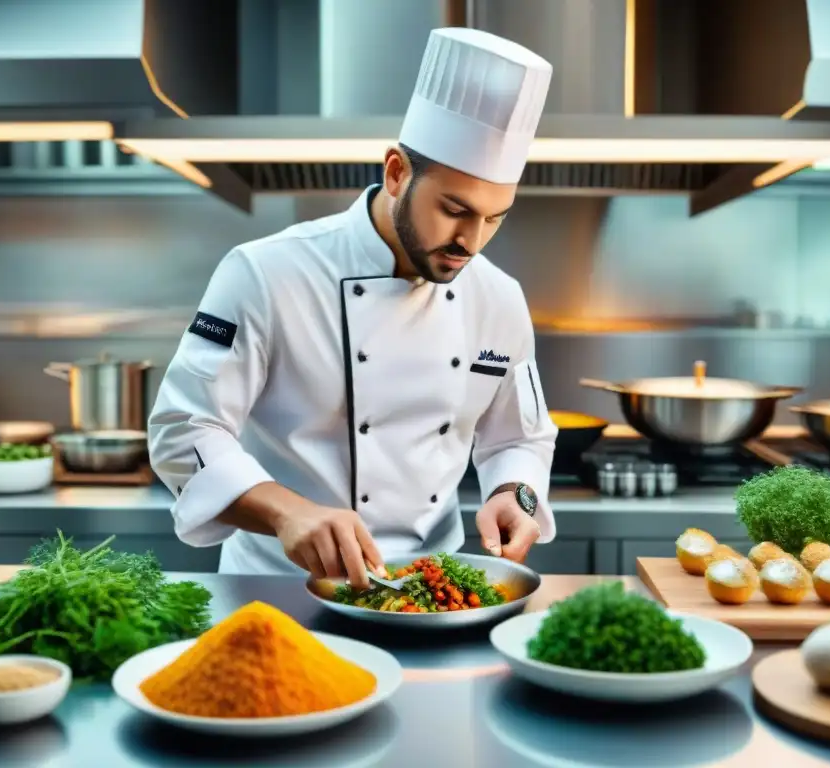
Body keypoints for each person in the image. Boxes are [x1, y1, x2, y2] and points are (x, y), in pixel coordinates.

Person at [148, 27, 558, 588]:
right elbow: (183, 428)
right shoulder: (266, 273)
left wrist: (518, 494)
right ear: (396, 173)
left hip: (432, 590)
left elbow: (520, 437)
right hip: (278, 590)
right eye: (455, 210)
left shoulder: (498, 297)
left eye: (495, 218)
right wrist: (287, 511)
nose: (472, 240)